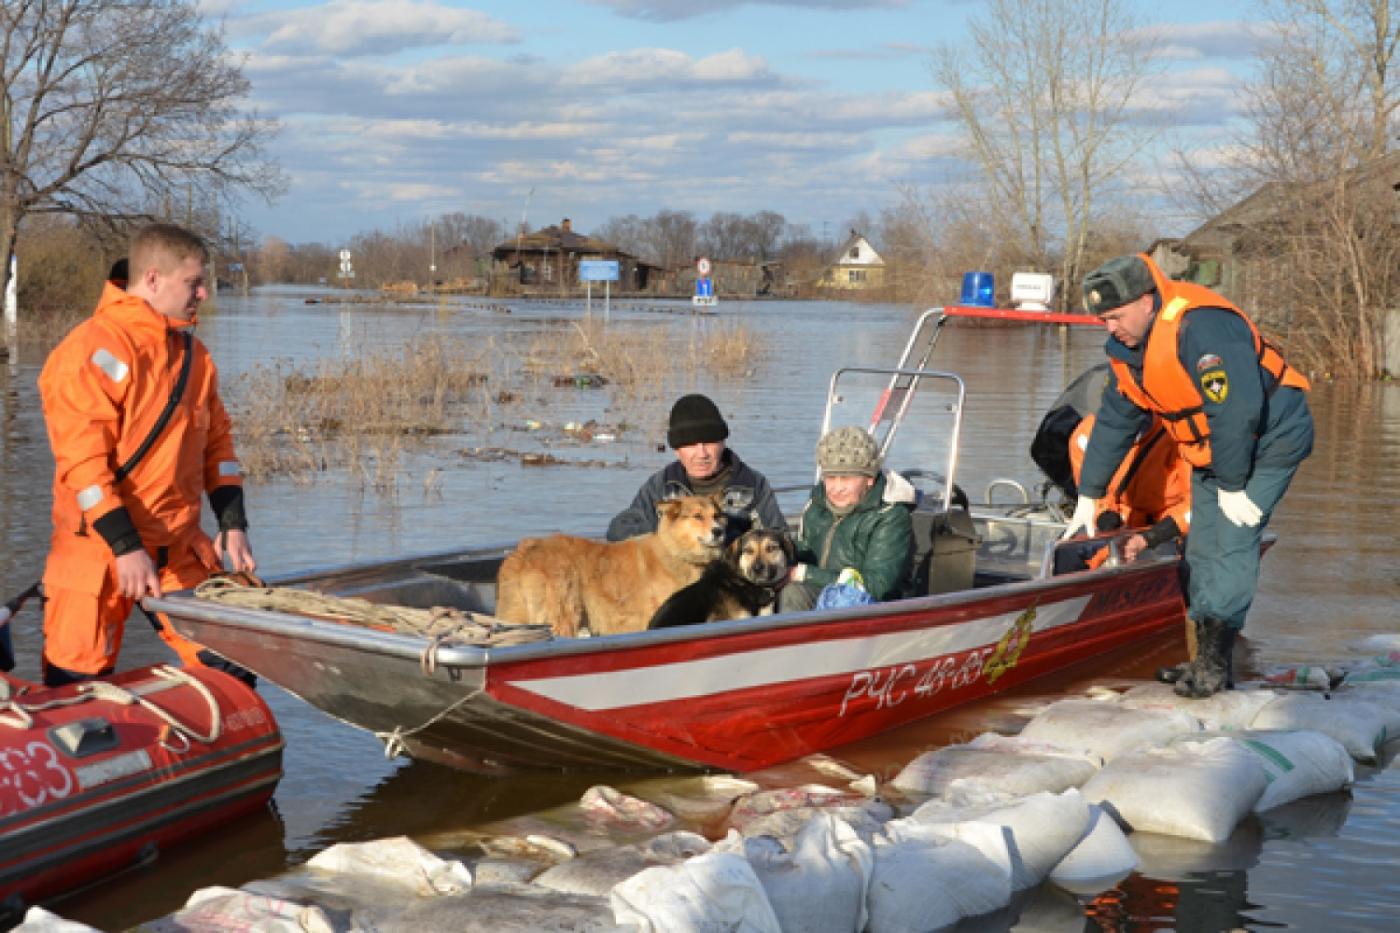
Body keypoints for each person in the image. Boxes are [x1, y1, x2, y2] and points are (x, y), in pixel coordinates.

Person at [1064, 253, 1313, 698]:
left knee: (1232, 540)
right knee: (1199, 549)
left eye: (1116, 316)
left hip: (1267, 440)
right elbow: (1116, 422)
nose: (1110, 327)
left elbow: (1236, 411)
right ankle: (1204, 659)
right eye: (1103, 319)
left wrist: (1234, 486)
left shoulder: (1202, 327)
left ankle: (1215, 666)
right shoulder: (1126, 352)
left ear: (1146, 301)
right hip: (1212, 450)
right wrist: (1089, 495)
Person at [37, 223, 256, 687]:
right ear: (153, 279)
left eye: (204, 283)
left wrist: (232, 523)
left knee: (235, 666)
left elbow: (220, 449)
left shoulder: (196, 358)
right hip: (95, 551)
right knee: (76, 686)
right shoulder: (89, 351)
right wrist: (124, 546)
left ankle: (200, 746)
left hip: (177, 547)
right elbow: (84, 466)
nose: (203, 293)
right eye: (193, 283)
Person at [607, 393, 785, 542]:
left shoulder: (752, 484)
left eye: (708, 442)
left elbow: (780, 538)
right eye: (690, 444)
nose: (701, 454)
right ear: (677, 450)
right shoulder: (662, 485)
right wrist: (675, 533)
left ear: (722, 443)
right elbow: (618, 530)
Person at [779, 425, 916, 612]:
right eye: (831, 478)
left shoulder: (891, 516)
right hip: (819, 592)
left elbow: (877, 585)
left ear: (869, 478)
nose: (836, 488)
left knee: (792, 592)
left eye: (846, 478)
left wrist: (803, 573)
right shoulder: (816, 505)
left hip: (868, 606)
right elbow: (802, 551)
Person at [1063, 411, 1191, 569]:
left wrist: (1151, 537)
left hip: (1168, 525)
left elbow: (1198, 505)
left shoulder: (1181, 437)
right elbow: (1093, 495)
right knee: (1067, 552)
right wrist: (1105, 517)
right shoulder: (1085, 437)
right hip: (1121, 517)